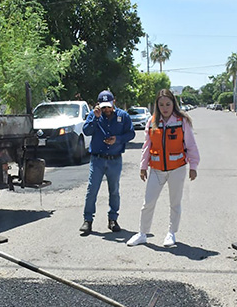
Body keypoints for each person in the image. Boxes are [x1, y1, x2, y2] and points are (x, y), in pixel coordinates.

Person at [126, 89, 200, 247]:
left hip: (177, 168)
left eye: (168, 104)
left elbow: (191, 144)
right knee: (148, 202)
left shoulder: (182, 121)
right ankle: (142, 233)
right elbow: (147, 145)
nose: (165, 108)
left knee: (175, 203)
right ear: (157, 106)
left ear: (173, 104)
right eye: (161, 105)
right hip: (157, 170)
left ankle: (171, 233)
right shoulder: (152, 121)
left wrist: (193, 165)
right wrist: (143, 166)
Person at [79, 90, 135, 234]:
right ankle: (88, 220)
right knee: (92, 190)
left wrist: (118, 139)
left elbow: (131, 133)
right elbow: (86, 131)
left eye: (109, 106)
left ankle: (113, 219)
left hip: (114, 160)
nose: (106, 110)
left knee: (114, 190)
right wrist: (96, 118)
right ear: (99, 105)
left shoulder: (123, 116)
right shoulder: (94, 115)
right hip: (97, 159)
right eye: (103, 107)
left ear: (113, 102)